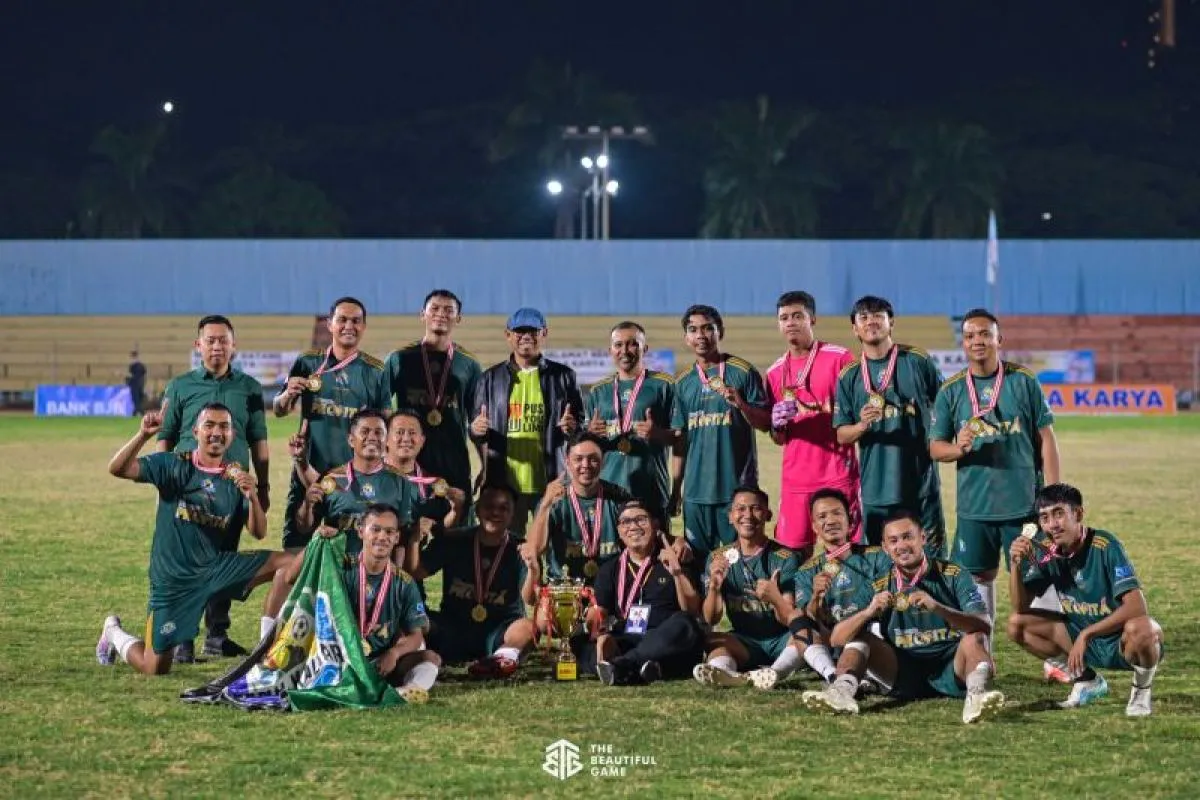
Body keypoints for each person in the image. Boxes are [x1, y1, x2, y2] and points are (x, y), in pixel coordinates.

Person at [96, 403, 296, 676]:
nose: (216, 432)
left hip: (215, 569)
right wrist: (143, 435)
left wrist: (252, 497)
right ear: (196, 432)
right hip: (174, 580)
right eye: (209, 425)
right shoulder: (174, 464)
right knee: (155, 667)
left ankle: (265, 652)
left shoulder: (234, 477)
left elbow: (258, 532)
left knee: (292, 563)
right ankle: (112, 632)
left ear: (232, 434)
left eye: (224, 426)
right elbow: (118, 468)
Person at [930, 308, 1061, 654]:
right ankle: (982, 656)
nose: (977, 341)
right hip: (975, 508)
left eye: (985, 334)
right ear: (963, 343)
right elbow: (935, 447)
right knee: (977, 580)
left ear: (998, 340)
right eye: (970, 335)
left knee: (1038, 578)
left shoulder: (1023, 381)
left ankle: (1056, 659)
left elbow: (1046, 438)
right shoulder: (951, 391)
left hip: (1024, 506)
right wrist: (957, 448)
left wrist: (1053, 495)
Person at [814, 510, 1005, 722]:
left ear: (922, 538)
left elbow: (984, 624)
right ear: (885, 548)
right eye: (894, 541)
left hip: (951, 666)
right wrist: (868, 612)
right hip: (901, 669)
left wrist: (938, 608)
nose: (902, 546)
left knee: (974, 637)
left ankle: (977, 696)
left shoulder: (953, 573)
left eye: (907, 537)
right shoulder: (878, 584)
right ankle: (841, 693)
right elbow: (836, 639)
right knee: (859, 638)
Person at [157, 314, 271, 661]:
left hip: (232, 492)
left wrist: (262, 487)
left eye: (224, 340)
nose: (217, 346)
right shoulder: (179, 387)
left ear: (234, 346)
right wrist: (165, 483)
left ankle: (217, 635)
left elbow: (259, 442)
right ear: (198, 345)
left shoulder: (250, 388)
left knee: (225, 559)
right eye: (211, 340)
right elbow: (165, 438)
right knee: (188, 561)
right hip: (188, 490)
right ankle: (183, 637)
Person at [1007, 483, 1163, 717]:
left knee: (1144, 629)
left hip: (1119, 642)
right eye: (1045, 518)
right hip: (1079, 640)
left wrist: (1086, 635)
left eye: (1059, 514)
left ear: (1078, 514)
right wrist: (1015, 565)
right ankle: (1085, 680)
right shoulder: (1047, 550)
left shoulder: (1105, 545)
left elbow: (1136, 607)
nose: (1052, 524)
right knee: (1017, 625)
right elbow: (1021, 607)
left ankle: (1141, 690)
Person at [274, 297, 390, 552]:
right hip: (307, 469)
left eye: (356, 321)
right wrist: (287, 394)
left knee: (349, 552)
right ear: (330, 324)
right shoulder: (308, 362)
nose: (349, 326)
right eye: (342, 320)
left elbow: (385, 427)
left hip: (353, 478)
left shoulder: (376, 372)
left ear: (364, 326)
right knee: (296, 551)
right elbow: (279, 410)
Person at [834, 295, 946, 555]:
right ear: (855, 328)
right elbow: (841, 435)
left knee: (932, 561)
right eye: (863, 317)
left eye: (878, 316)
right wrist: (861, 425)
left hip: (921, 485)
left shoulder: (917, 360)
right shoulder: (849, 375)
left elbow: (945, 405)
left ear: (891, 322)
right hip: (877, 488)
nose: (871, 321)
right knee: (880, 562)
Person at [670, 305, 769, 570]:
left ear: (720, 332)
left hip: (736, 493)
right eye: (693, 330)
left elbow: (765, 423)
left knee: (738, 566)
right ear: (686, 338)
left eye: (707, 328)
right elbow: (680, 442)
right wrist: (676, 490)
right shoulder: (682, 383)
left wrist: (742, 405)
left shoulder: (743, 372)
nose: (700, 335)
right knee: (699, 566)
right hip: (695, 495)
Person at [405, 483, 539, 679]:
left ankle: (501, 660)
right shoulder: (455, 540)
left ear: (512, 514)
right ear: (477, 509)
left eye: (503, 508)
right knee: (416, 620)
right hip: (453, 625)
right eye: (489, 506)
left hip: (500, 629)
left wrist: (533, 570)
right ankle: (415, 658)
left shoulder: (520, 548)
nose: (495, 512)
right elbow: (416, 572)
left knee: (528, 627)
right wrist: (414, 540)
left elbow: (530, 600)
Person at [470, 307, 583, 533]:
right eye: (520, 332)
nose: (526, 337)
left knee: (555, 544)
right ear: (508, 335)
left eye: (533, 331)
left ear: (544, 333)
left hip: (551, 479)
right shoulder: (490, 378)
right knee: (508, 545)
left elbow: (579, 426)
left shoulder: (564, 376)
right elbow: (476, 430)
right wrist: (475, 429)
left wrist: (573, 428)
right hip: (505, 483)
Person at [766, 291, 858, 560]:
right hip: (795, 479)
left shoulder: (839, 358)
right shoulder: (774, 373)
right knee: (793, 555)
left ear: (812, 319)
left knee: (845, 552)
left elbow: (856, 416)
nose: (790, 322)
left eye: (798, 316)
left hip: (837, 474)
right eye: (784, 318)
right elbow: (778, 438)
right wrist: (776, 426)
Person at [778, 488, 892, 683]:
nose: (830, 521)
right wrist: (816, 596)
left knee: (872, 629)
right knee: (798, 619)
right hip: (831, 641)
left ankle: (865, 675)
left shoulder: (877, 557)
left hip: (868, 637)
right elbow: (811, 617)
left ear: (851, 521)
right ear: (814, 527)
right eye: (822, 517)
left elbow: (885, 607)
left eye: (837, 513)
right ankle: (829, 674)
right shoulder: (807, 571)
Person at [693, 487, 800, 691]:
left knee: (805, 634)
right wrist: (714, 588)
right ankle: (727, 674)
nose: (748, 515)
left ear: (768, 515)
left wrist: (775, 598)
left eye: (755, 508)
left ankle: (775, 673)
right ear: (730, 516)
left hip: (782, 639)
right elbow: (711, 619)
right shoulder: (718, 558)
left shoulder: (785, 557)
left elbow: (790, 619)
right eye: (740, 509)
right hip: (745, 641)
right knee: (713, 640)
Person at [383, 290, 483, 503]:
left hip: (453, 461)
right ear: (422, 315)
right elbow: (379, 409)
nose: (441, 314)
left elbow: (477, 422)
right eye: (434, 308)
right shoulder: (398, 359)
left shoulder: (469, 365)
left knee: (456, 519)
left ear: (458, 318)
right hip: (408, 461)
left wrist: (485, 465)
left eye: (449, 310)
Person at [591, 502, 703, 685]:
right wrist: (598, 632)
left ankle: (621, 665)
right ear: (619, 531)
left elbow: (692, 610)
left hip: (664, 637)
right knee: (579, 641)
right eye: (626, 522)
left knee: (684, 624)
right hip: (628, 637)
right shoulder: (610, 568)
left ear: (655, 525)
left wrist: (677, 573)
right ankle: (644, 668)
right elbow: (600, 613)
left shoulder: (673, 558)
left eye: (641, 520)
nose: (633, 526)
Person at [340, 504, 441, 705]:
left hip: (381, 663)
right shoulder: (341, 569)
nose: (382, 537)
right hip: (341, 659)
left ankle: (407, 692)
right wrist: (316, 543)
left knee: (431, 658)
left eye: (389, 532)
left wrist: (394, 653)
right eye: (375, 529)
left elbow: (416, 635)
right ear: (361, 531)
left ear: (396, 538)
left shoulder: (404, 583)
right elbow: (291, 577)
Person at [294, 409, 421, 555]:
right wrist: (307, 506)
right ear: (351, 440)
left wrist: (396, 568)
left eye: (378, 433)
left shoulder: (400, 481)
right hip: (337, 564)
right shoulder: (331, 478)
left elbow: (402, 537)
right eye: (365, 432)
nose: (372, 437)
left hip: (380, 566)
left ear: (386, 440)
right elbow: (303, 528)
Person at [584, 322, 675, 519]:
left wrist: (658, 434)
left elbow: (682, 438)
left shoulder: (664, 386)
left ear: (645, 348)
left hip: (651, 490)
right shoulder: (598, 391)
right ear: (610, 350)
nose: (624, 351)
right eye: (618, 345)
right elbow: (584, 446)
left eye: (632, 344)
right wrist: (589, 434)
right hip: (607, 491)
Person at [528, 433, 633, 583]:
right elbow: (535, 550)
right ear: (567, 462)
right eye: (578, 459)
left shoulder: (619, 498)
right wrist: (545, 506)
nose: (586, 465)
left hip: (610, 588)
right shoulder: (554, 500)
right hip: (565, 590)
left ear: (603, 462)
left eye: (593, 459)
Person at [384, 409, 466, 531]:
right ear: (385, 438)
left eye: (412, 433)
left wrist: (456, 510)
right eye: (399, 432)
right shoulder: (367, 477)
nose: (406, 439)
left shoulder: (433, 484)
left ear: (422, 441)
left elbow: (441, 529)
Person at [126, 350, 146, 415]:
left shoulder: (135, 366)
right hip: (140, 384)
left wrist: (127, 377)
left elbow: (134, 376)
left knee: (136, 399)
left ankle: (139, 411)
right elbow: (143, 374)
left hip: (135, 384)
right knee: (137, 399)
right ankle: (136, 411)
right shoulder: (141, 365)